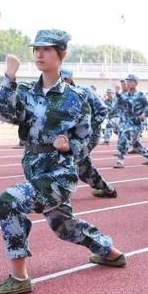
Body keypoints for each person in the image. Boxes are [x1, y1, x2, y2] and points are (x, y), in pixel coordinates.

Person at [0, 29, 125, 294]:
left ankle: (19, 277)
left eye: (47, 49)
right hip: (35, 169)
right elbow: (5, 114)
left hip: (59, 174)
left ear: (61, 54)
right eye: (36, 48)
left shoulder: (76, 98)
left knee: (9, 202)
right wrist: (9, 78)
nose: (39, 53)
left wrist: (70, 146)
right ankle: (111, 252)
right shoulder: (27, 91)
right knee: (65, 228)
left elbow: (88, 140)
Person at [61, 69, 117, 198]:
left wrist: (89, 126)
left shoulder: (85, 92)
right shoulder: (58, 96)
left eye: (64, 79)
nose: (61, 82)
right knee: (83, 166)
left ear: (70, 79)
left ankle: (61, 196)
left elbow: (103, 110)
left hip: (90, 135)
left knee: (73, 160)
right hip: (71, 137)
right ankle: (106, 189)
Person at [113, 74, 148, 168]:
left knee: (125, 136)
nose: (128, 84)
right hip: (125, 123)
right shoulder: (123, 96)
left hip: (137, 123)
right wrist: (117, 94)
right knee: (136, 144)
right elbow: (118, 105)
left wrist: (144, 114)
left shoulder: (141, 95)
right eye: (127, 82)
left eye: (130, 82)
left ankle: (120, 160)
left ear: (136, 83)